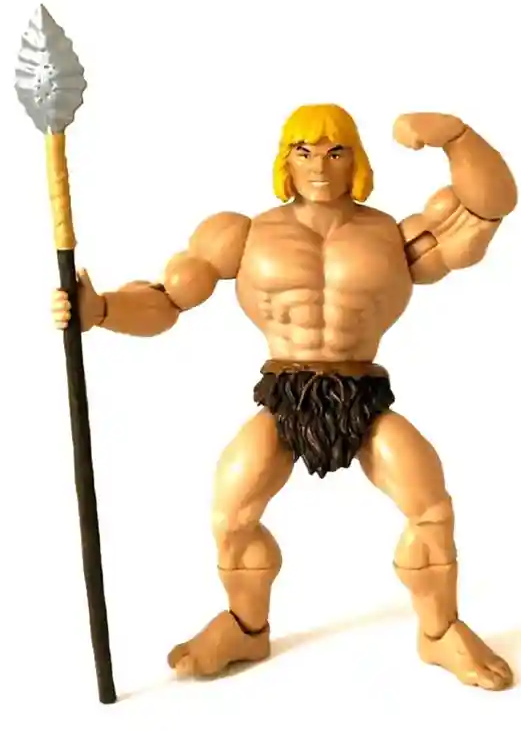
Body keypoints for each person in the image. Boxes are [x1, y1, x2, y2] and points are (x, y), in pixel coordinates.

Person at [51, 104, 517, 689]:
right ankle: (246, 627)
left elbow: (486, 208)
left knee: (432, 509)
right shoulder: (242, 234)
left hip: (363, 394)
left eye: (335, 152)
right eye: (304, 152)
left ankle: (440, 631)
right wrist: (100, 310)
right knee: (230, 515)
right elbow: (168, 299)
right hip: (284, 397)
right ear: (285, 161)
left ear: (356, 161)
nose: (319, 166)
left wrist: (456, 136)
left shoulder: (395, 237)